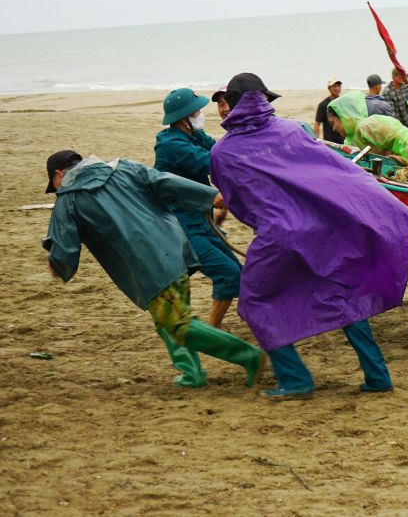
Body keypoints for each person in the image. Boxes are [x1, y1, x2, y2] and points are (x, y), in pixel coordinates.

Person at [211, 73, 408, 401]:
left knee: (255, 303)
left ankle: (295, 379)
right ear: (264, 100)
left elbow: (241, 204)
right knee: (341, 290)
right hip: (320, 229)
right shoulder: (293, 131)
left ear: (232, 105)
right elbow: (338, 173)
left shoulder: (223, 153)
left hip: (278, 236)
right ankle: (377, 375)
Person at [43, 149, 263, 389]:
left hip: (146, 265)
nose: (56, 190)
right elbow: (164, 181)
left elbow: (64, 247)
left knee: (178, 325)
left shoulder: (68, 200)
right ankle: (191, 374)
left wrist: (57, 265)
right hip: (175, 247)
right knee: (165, 317)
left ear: (58, 174)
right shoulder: (123, 167)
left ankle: (248, 356)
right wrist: (209, 196)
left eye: (54, 185)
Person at [154, 88, 241, 328]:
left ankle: (239, 318)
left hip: (201, 220)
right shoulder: (172, 145)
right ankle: (214, 330)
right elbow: (213, 162)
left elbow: (220, 150)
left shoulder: (194, 135)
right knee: (228, 274)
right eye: (197, 111)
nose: (201, 114)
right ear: (184, 117)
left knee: (237, 273)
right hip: (181, 227)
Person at [313, 78, 344, 144]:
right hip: (330, 141)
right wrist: (315, 140)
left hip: (343, 140)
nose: (337, 88)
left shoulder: (343, 102)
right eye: (334, 86)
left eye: (339, 86)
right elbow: (317, 123)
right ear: (329, 88)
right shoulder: (323, 104)